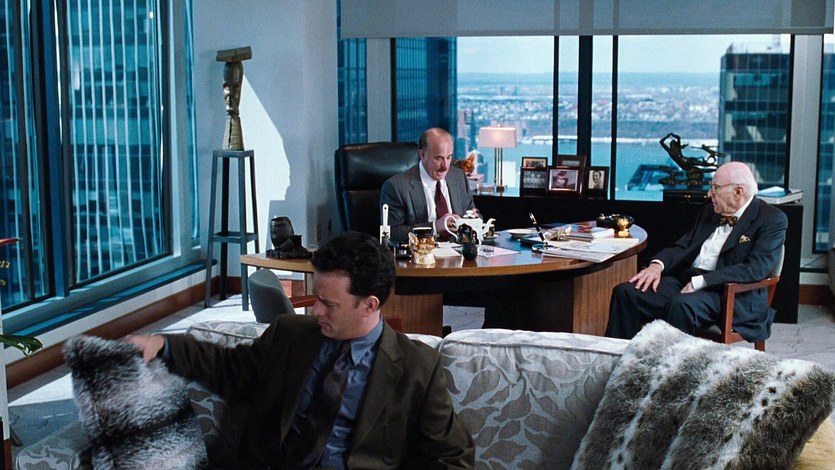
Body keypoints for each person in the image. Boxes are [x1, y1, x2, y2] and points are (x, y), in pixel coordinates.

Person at [126, 232, 475, 468]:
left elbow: (453, 457)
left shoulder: (417, 368)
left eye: (328, 304)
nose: (315, 311)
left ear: (369, 305)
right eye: (316, 298)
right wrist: (164, 344)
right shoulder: (290, 335)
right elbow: (230, 368)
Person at [605, 162, 787, 342]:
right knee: (627, 292)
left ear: (738, 192)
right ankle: (619, 355)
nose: (709, 194)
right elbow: (684, 246)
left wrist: (701, 281)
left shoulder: (771, 219)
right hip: (688, 281)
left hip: (729, 294)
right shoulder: (710, 211)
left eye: (715, 188)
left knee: (680, 305)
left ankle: (673, 361)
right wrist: (656, 266)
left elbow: (756, 269)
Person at [381, 128, 477, 242]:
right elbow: (392, 233)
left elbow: (474, 213)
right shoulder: (396, 187)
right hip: (422, 251)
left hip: (458, 250)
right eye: (439, 158)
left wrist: (473, 220)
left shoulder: (459, 177)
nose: (445, 166)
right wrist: (435, 227)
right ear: (422, 155)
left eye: (449, 157)